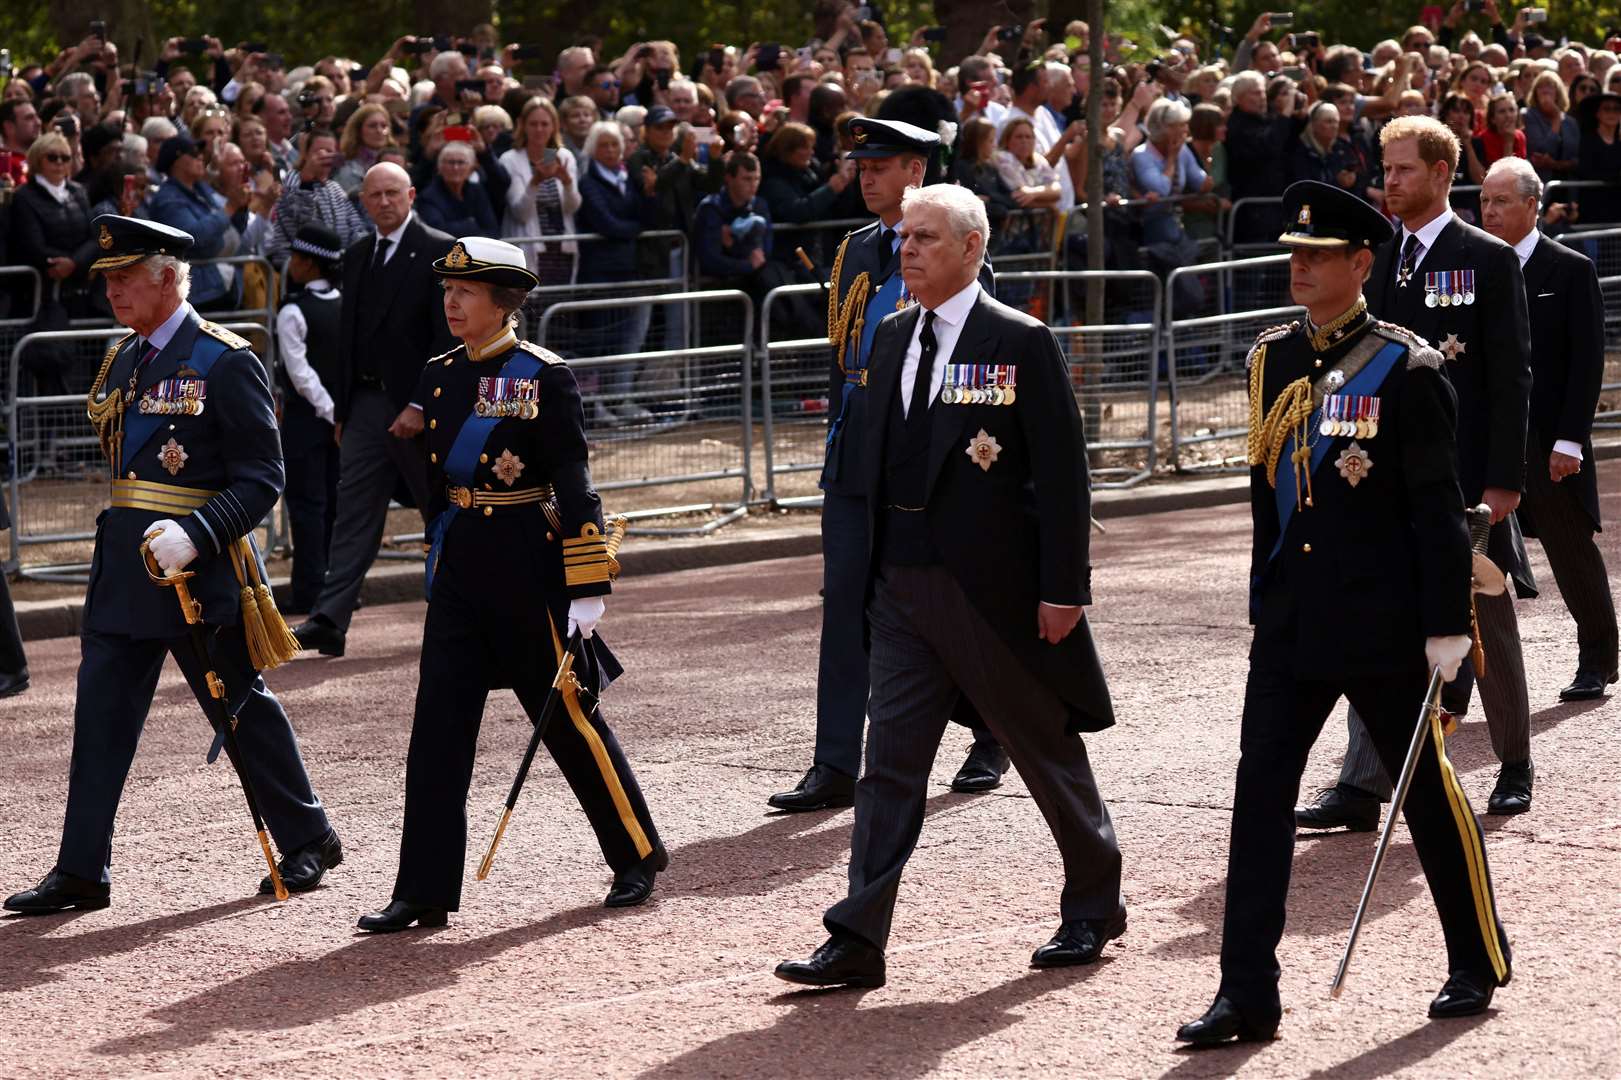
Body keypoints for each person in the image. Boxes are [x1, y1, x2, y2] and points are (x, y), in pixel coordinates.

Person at [1177, 179, 1515, 1047]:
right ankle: (1244, 992)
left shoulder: (1407, 367)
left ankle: (1474, 956)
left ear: (1360, 264)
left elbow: (1434, 512)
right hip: (1293, 626)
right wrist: (1265, 598)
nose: (1300, 267)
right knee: (1259, 802)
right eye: (1294, 254)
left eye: (1318, 256)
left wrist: (1448, 627)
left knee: (1425, 799)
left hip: (1381, 625)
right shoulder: (1271, 359)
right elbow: (1268, 501)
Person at [775, 183, 1123, 989]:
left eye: (925, 238)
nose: (906, 250)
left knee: (1041, 749)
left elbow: (1065, 478)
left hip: (989, 592)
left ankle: (1093, 904)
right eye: (903, 238)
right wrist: (857, 580)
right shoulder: (890, 336)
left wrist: (1064, 588)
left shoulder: (1020, 340)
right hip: (899, 586)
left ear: (971, 248)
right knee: (887, 764)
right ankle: (857, 936)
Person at [3, 215, 342, 915]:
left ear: (167, 276)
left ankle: (308, 835)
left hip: (198, 568)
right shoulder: (123, 358)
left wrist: (198, 532)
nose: (113, 290)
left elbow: (261, 477)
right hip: (127, 568)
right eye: (107, 279)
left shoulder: (224, 357)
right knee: (99, 719)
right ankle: (81, 869)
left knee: (239, 705)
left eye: (126, 277)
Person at [355, 237, 665, 932]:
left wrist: (588, 583)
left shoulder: (542, 374)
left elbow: (574, 478)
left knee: (566, 715)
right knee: (436, 731)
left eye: (466, 293)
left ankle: (635, 852)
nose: (452, 303)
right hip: (462, 564)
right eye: (447, 291)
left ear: (504, 301)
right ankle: (423, 888)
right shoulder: (437, 375)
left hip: (527, 565)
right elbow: (435, 481)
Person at [1297, 116, 1534, 830]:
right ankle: (1361, 787)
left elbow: (1510, 377)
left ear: (1439, 173)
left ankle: (1514, 760)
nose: (1387, 182)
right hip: (1382, 477)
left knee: (1482, 625)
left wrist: (1501, 483)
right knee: (1379, 627)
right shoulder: (1371, 258)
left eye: (1402, 170)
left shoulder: (1486, 258)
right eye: (1385, 168)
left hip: (1462, 481)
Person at [769, 117, 1010, 815]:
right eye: (860, 164)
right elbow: (842, 359)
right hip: (856, 455)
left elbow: (971, 359)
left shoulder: (955, 248)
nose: (864, 175)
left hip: (924, 457)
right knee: (845, 607)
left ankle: (992, 725)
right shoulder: (854, 251)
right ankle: (835, 762)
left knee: (939, 607)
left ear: (916, 172)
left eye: (880, 164)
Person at [292, 164, 457, 658]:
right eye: (375, 195)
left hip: (417, 408)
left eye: (392, 193)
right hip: (363, 406)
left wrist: (419, 404)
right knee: (353, 514)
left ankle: (459, 615)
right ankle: (329, 618)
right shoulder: (359, 253)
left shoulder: (438, 250)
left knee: (443, 511)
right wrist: (342, 410)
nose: (384, 202)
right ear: (363, 202)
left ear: (410, 195)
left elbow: (445, 335)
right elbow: (348, 338)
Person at [1480, 158, 1616, 703]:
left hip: (1546, 442)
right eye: (1484, 201)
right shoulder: (1471, 267)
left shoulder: (1569, 268)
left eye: (1502, 202)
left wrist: (1569, 440)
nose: (1489, 212)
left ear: (1532, 205)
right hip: (1487, 440)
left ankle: (1598, 662)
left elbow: (1587, 362)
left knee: (1570, 551)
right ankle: (1466, 679)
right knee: (1475, 555)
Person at [275, 224, 344, 615]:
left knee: (308, 507)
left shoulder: (293, 308)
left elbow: (300, 375)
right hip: (340, 422)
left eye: (297, 259)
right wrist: (340, 413)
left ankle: (310, 592)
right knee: (332, 506)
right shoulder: (346, 303)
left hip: (306, 422)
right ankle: (333, 590)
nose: (292, 265)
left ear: (309, 262)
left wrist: (328, 411)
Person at [146, 134, 237, 312]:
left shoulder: (201, 189)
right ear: (176, 161)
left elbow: (233, 229)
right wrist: (230, 209)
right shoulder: (168, 200)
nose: (201, 157)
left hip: (217, 284)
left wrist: (240, 207)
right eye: (194, 153)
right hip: (197, 292)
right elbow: (193, 238)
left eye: (201, 153)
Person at [265, 127, 366, 263]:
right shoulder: (291, 182)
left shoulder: (335, 188)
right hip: (299, 268)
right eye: (318, 151)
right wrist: (307, 180)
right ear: (306, 155)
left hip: (335, 267)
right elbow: (302, 223)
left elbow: (356, 227)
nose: (324, 156)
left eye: (329, 152)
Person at [415, 139, 501, 236]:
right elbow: (437, 232)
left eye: (461, 162)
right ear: (439, 167)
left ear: (472, 168)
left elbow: (492, 230)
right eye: (450, 162)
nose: (456, 167)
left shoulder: (477, 191)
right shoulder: (428, 197)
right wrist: (470, 225)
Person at [1522, 71, 1578, 182]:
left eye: (1550, 86)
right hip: (1540, 182)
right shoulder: (1528, 116)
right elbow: (1541, 152)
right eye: (1540, 87)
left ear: (1558, 92)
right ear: (1535, 93)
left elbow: (1576, 160)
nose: (1545, 91)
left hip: (1567, 185)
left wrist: (1556, 164)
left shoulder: (1570, 122)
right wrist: (1556, 120)